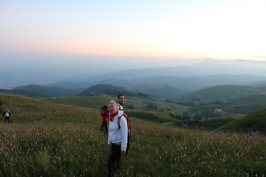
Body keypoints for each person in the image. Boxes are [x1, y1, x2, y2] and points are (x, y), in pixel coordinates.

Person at [107, 100, 128, 177]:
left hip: (119, 145)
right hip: (113, 143)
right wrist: (109, 143)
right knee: (117, 161)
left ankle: (110, 175)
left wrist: (124, 148)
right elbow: (110, 131)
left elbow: (125, 134)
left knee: (110, 162)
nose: (110, 108)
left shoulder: (121, 118)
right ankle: (118, 173)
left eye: (112, 106)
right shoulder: (111, 118)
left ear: (116, 107)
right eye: (109, 107)